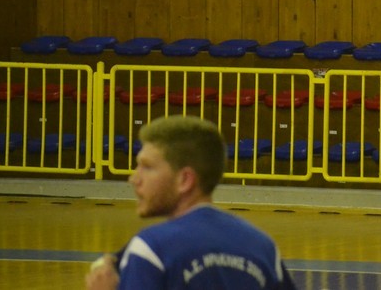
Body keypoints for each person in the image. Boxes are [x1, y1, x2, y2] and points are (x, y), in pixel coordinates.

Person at [84, 115, 297, 290]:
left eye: (147, 167)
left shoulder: (151, 249)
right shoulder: (263, 246)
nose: (134, 178)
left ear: (185, 180)